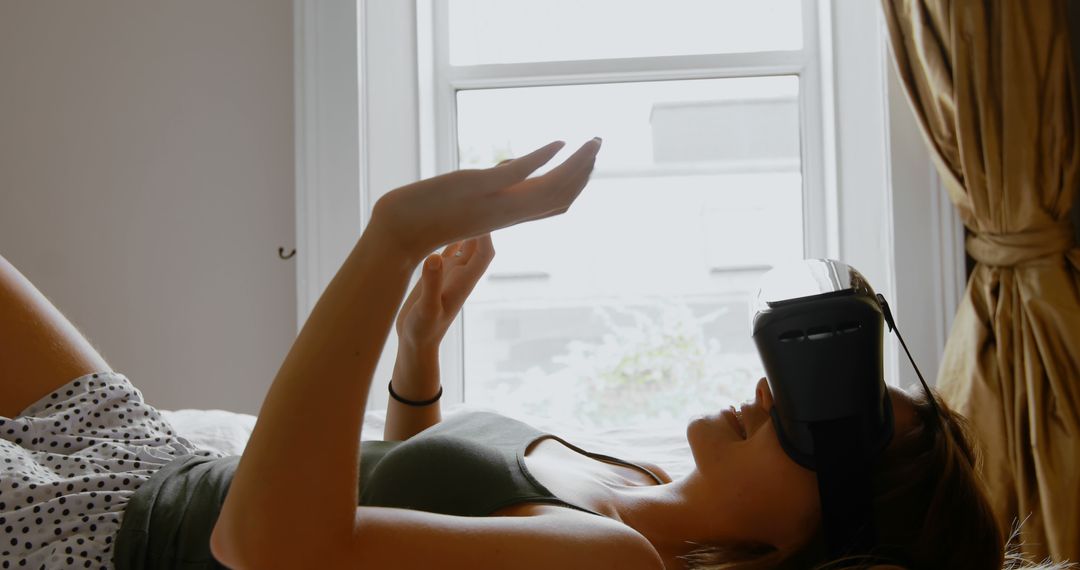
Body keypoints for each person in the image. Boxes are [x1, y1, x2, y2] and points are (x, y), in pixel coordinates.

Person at [0, 138, 1021, 570]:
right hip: (144, 460)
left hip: (108, 538)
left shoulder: (619, 561)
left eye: (824, 415)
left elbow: (267, 550)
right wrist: (418, 359)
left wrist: (390, 236)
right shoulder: (637, 481)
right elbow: (411, 502)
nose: (770, 387)